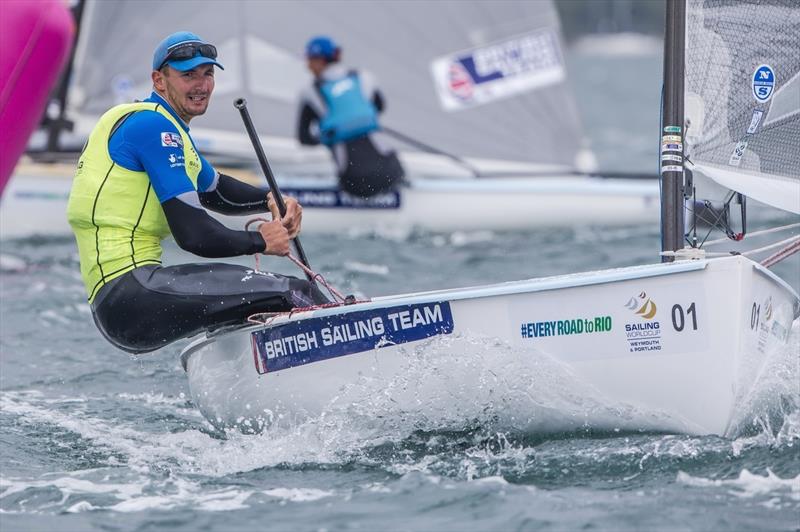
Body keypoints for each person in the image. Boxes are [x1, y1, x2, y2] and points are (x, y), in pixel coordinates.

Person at [67, 31, 327, 354]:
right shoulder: (153, 129)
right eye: (188, 75)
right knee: (296, 294)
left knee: (259, 307)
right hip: (132, 293)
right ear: (159, 80)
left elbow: (216, 190)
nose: (201, 85)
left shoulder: (156, 123)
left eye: (208, 74)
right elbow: (193, 235)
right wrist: (261, 240)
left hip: (119, 302)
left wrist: (270, 199)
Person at [297, 35, 404, 198]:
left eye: (309, 60)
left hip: (356, 184)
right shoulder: (363, 77)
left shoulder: (310, 93)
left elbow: (304, 138)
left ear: (319, 61)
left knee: (352, 171)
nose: (308, 66)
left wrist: (327, 136)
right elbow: (380, 107)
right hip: (392, 173)